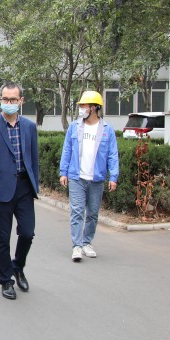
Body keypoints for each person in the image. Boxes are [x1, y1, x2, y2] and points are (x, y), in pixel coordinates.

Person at [0, 82, 39, 300]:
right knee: (2, 238)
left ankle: (17, 266)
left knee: (28, 233)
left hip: (24, 188)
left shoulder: (29, 127)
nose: (9, 103)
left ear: (21, 101)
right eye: (5, 99)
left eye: (13, 99)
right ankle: (6, 280)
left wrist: (35, 186)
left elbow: (34, 160)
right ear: (0, 100)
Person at [59, 91, 119, 262]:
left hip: (96, 179)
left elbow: (112, 155)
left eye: (84, 106)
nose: (81, 109)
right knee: (77, 212)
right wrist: (63, 172)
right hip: (77, 177)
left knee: (92, 213)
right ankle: (77, 246)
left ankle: (87, 243)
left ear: (94, 108)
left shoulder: (107, 130)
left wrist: (113, 177)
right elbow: (67, 150)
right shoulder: (74, 127)